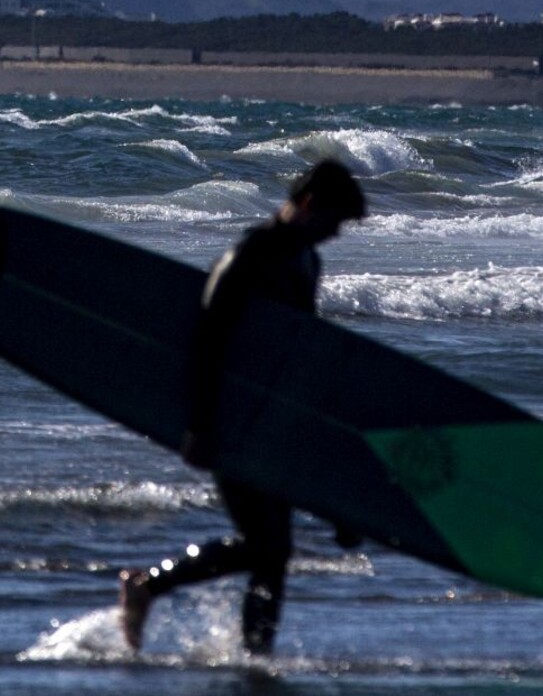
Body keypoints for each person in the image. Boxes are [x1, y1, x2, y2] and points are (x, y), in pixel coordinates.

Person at [119, 159, 367, 656]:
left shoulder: (306, 261)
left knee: (274, 552)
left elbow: (296, 350)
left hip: (274, 421)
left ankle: (257, 655)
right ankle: (148, 586)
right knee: (266, 545)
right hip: (231, 419)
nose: (336, 234)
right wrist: (199, 424)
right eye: (334, 221)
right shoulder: (253, 253)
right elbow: (208, 336)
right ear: (310, 205)